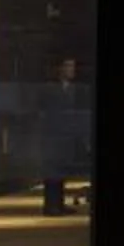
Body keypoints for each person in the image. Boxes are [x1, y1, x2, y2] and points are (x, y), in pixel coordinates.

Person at [41, 57, 91, 216]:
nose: (71, 70)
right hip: (52, 135)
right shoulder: (49, 88)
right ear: (60, 68)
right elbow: (43, 111)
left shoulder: (76, 89)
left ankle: (59, 204)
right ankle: (50, 206)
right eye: (68, 66)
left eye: (73, 66)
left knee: (62, 171)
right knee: (52, 172)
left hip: (68, 135)